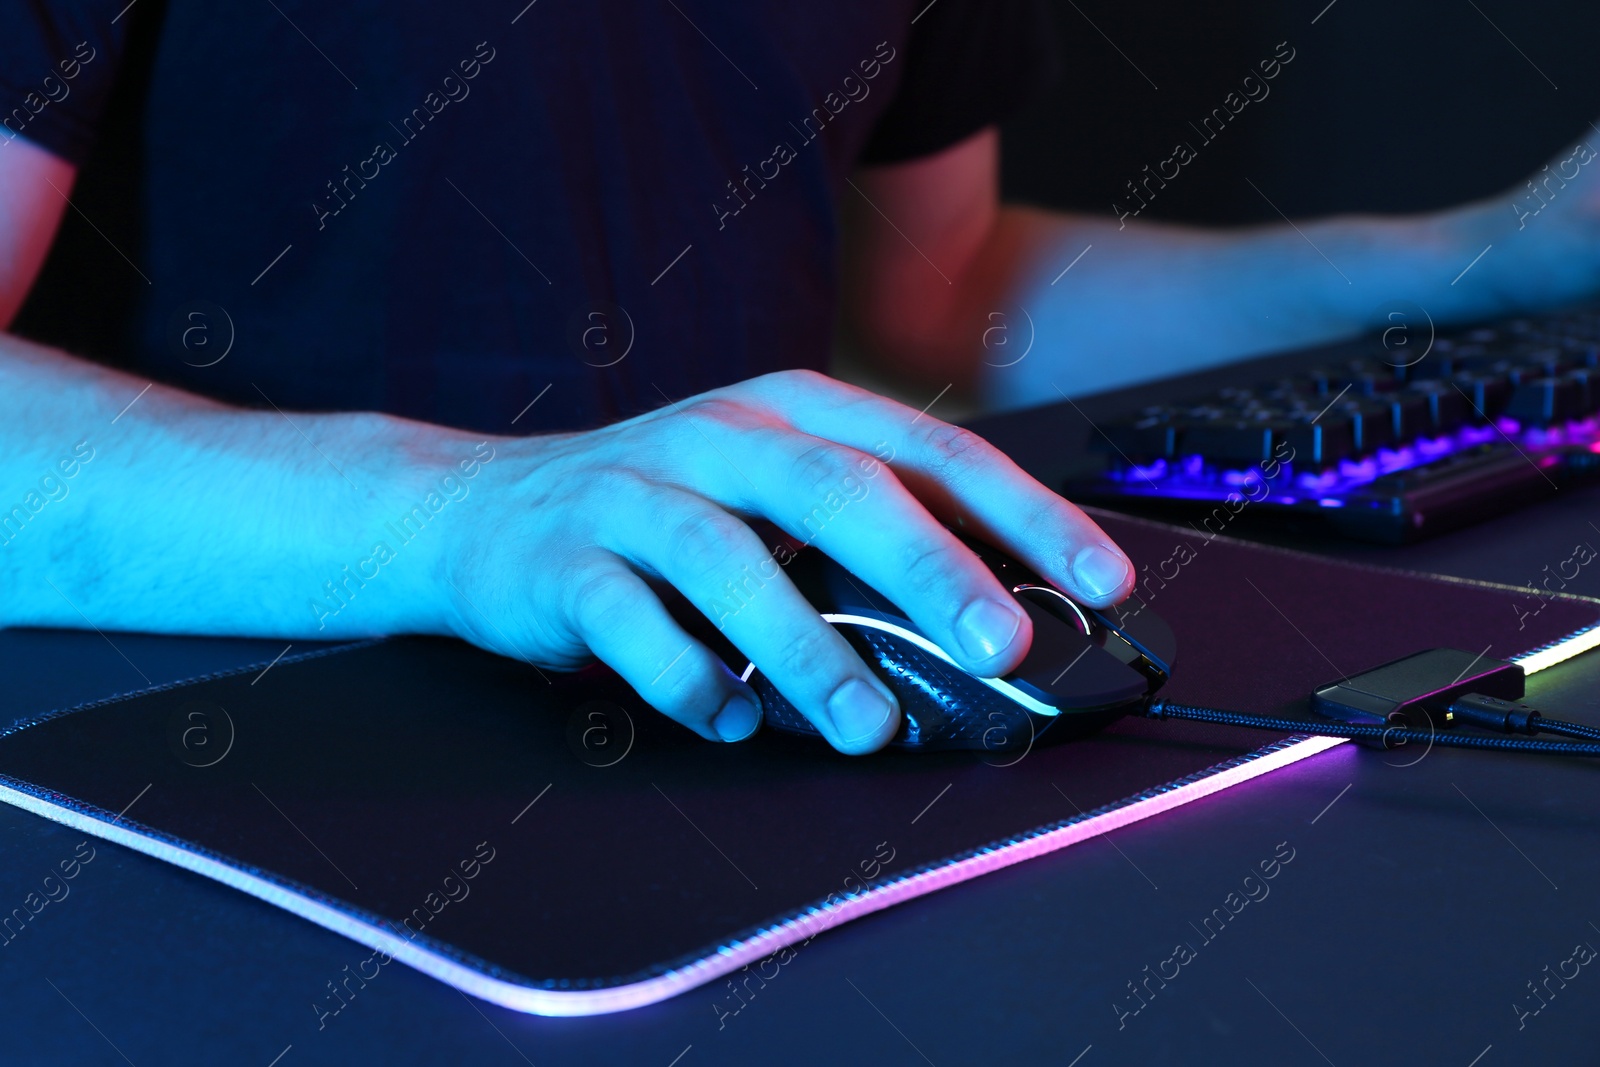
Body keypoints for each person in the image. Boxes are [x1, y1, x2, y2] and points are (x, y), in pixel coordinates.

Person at [1, 2, 1596, 756]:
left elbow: (947, 293)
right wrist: (460, 514)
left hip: (749, 724)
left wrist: (1488, 253)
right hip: (218, 755)